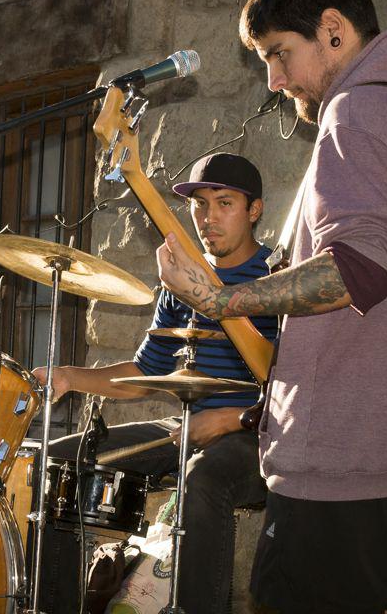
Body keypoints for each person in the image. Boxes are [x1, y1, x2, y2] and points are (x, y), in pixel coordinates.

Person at [155, 0, 387, 613]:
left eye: (279, 54)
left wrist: (218, 299)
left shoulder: (357, 110)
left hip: (349, 480)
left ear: (333, 30)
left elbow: (359, 268)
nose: (275, 81)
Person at [31, 153, 279, 614]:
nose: (208, 218)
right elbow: (146, 375)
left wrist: (225, 421)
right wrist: (69, 377)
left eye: (224, 203)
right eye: (199, 205)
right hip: (187, 421)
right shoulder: (179, 283)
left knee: (201, 478)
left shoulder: (277, 278)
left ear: (255, 210)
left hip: (256, 435)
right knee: (59, 460)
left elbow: (298, 387)